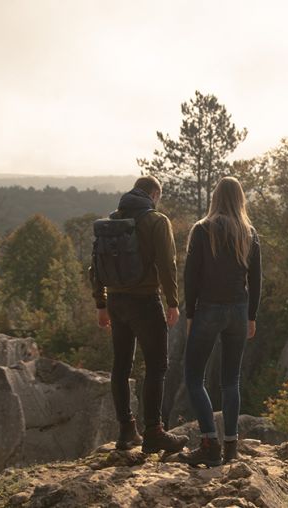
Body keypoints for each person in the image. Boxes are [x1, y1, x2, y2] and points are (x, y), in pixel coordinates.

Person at [90, 175, 188, 454]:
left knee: (121, 367)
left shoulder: (111, 221)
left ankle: (126, 431)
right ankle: (154, 432)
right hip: (145, 301)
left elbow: (95, 265)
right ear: (155, 194)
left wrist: (101, 304)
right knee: (157, 366)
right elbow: (167, 264)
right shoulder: (157, 221)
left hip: (117, 302)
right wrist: (173, 302)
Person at [177, 176, 261, 467]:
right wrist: (251, 316)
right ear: (240, 199)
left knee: (193, 377)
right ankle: (231, 447)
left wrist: (190, 315)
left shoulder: (203, 230)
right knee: (230, 381)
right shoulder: (248, 233)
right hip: (238, 311)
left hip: (209, 310)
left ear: (215, 197)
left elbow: (191, 276)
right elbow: (256, 280)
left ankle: (210, 443)